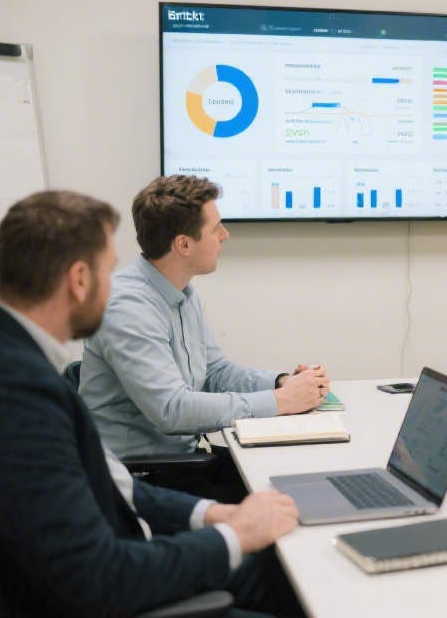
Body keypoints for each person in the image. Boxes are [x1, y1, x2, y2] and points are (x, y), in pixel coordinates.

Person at [0, 191, 304, 617]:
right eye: (108, 271)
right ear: (79, 280)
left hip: (105, 563)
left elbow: (112, 487)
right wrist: (235, 538)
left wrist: (214, 515)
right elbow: (97, 578)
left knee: (286, 571)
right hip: (92, 596)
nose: (116, 286)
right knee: (298, 582)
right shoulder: (6, 396)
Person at [80, 175, 327, 502]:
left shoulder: (181, 293)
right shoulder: (127, 307)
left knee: (297, 479)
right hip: (138, 478)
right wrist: (282, 402)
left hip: (182, 461)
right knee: (284, 505)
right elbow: (172, 410)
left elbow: (215, 372)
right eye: (216, 229)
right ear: (184, 245)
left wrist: (281, 383)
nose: (225, 235)